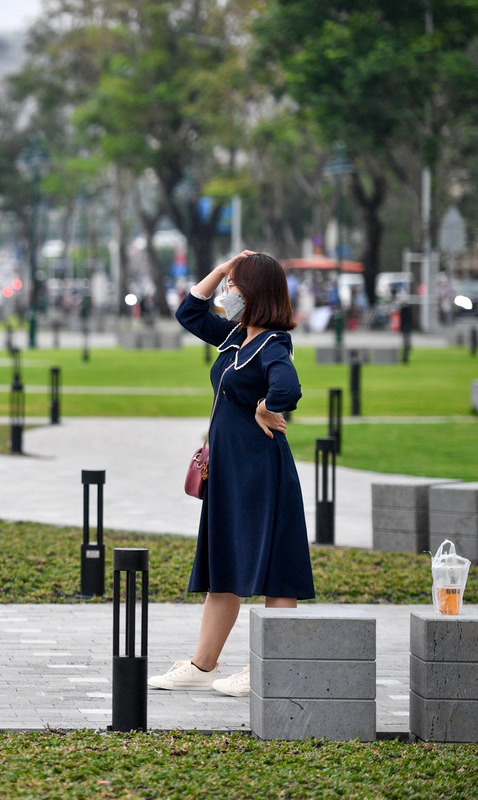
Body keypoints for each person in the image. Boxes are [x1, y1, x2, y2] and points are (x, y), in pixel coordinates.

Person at [148, 250, 315, 698]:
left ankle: (268, 666)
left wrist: (266, 407)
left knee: (275, 567)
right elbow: (189, 312)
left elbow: (288, 387)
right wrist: (221, 268)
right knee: (225, 563)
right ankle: (203, 665)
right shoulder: (237, 337)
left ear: (256, 292)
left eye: (236, 286)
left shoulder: (273, 342)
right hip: (230, 471)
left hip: (260, 472)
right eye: (228, 284)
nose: (228, 293)